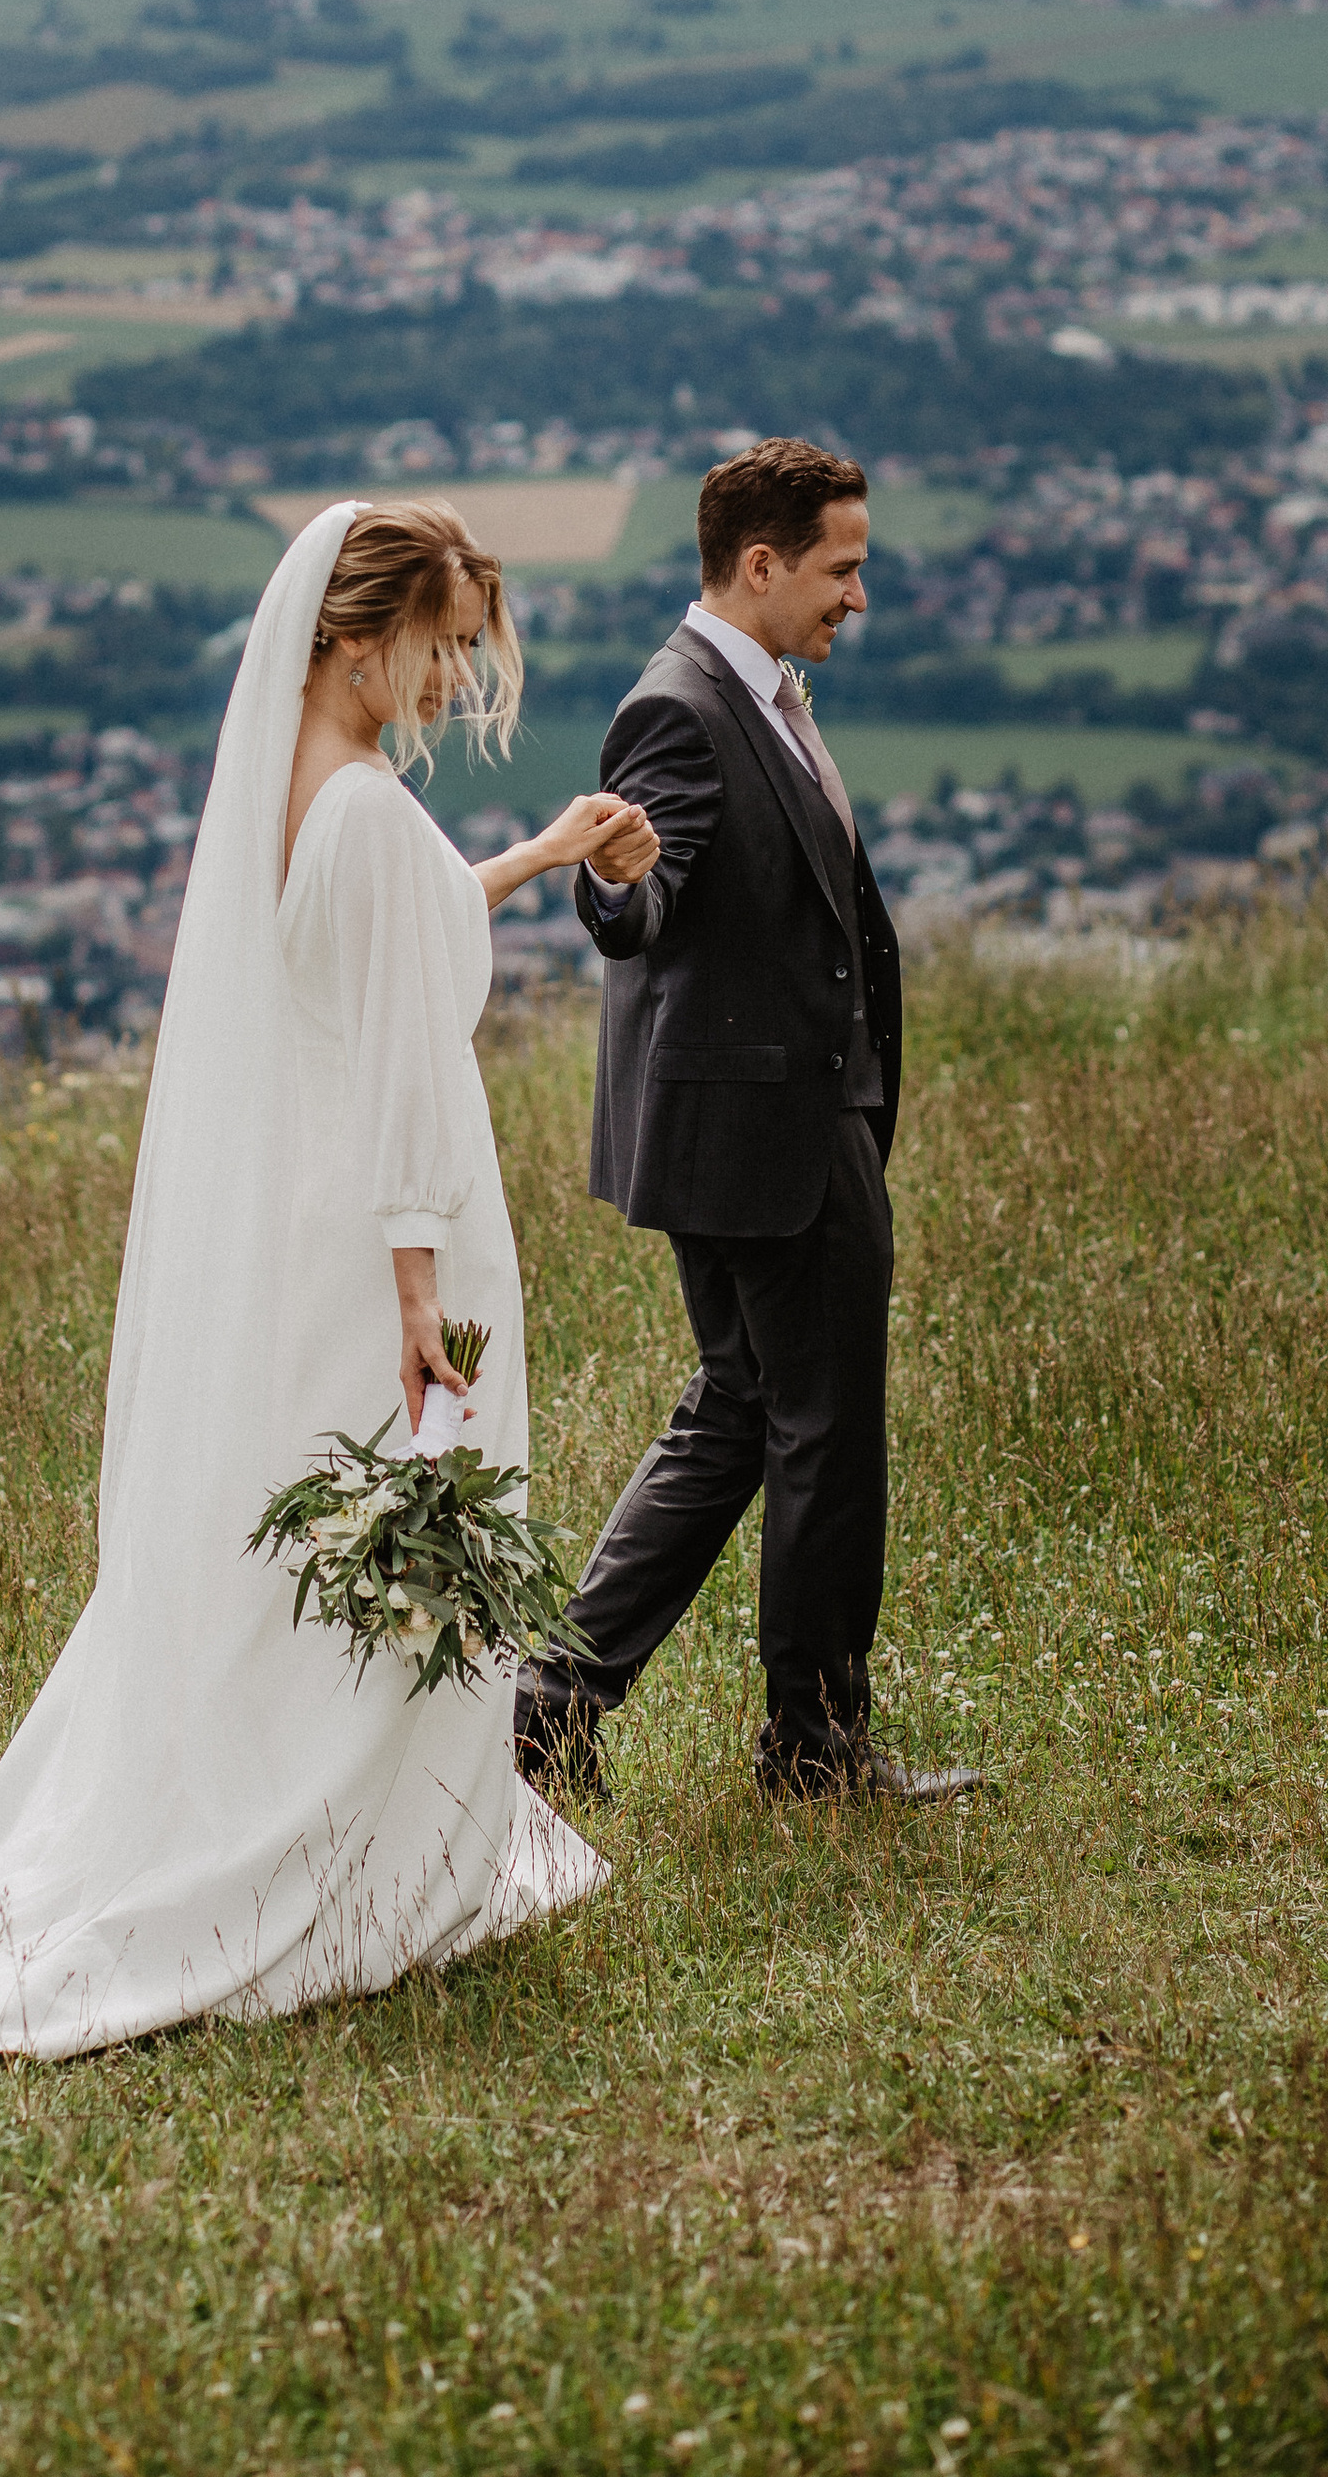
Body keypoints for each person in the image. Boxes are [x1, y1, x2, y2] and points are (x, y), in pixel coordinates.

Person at [0, 496, 661, 2061]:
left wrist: (540, 854)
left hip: (324, 1225)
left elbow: (387, 948)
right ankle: (352, 1852)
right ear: (353, 633)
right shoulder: (360, 812)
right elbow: (407, 1053)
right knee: (399, 1525)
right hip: (400, 1231)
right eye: (438, 649)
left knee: (319, 1529)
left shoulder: (301, 795)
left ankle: (349, 1823)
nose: (451, 686)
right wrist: (419, 1288)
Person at [512, 438, 979, 1809]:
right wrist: (613, 886)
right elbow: (642, 902)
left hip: (762, 1119)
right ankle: (815, 1751)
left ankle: (549, 1704)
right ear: (761, 566)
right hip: (769, 1131)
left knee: (738, 1410)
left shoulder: (756, 688)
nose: (859, 598)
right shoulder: (683, 708)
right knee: (825, 1428)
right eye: (843, 570)